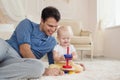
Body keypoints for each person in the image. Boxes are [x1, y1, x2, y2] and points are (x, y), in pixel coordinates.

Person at [0, 6, 64, 80]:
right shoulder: (26, 24)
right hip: (7, 48)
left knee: (39, 67)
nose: (53, 30)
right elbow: (24, 49)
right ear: (42, 21)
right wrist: (45, 71)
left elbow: (53, 63)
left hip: (17, 61)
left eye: (55, 26)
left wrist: (72, 66)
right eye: (50, 26)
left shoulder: (52, 42)